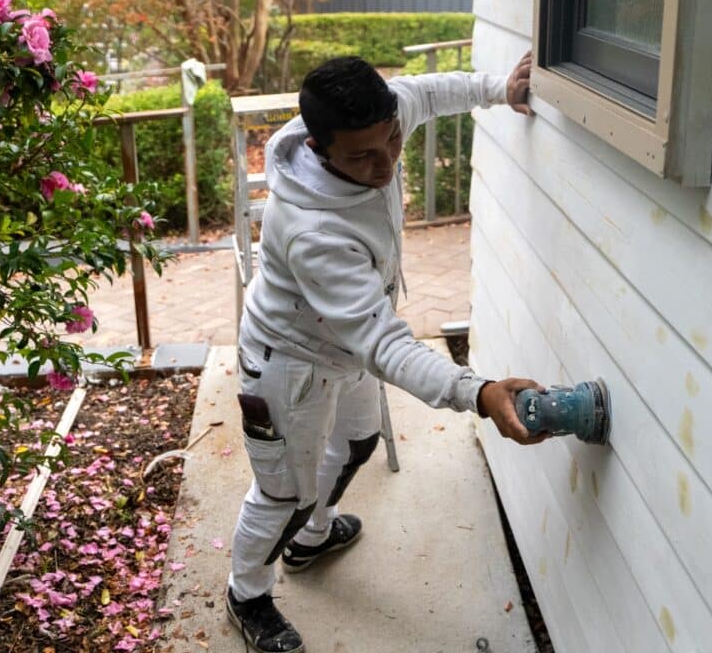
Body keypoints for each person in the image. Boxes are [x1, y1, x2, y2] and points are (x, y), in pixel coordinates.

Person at [227, 52, 546, 652]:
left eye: (392, 142)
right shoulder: (310, 230)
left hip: (341, 353)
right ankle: (247, 593)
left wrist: (498, 88)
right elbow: (382, 341)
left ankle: (312, 537)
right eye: (363, 157)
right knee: (282, 494)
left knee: (357, 443)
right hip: (288, 365)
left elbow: (427, 91)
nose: (387, 162)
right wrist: (475, 391)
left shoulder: (384, 118)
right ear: (320, 150)